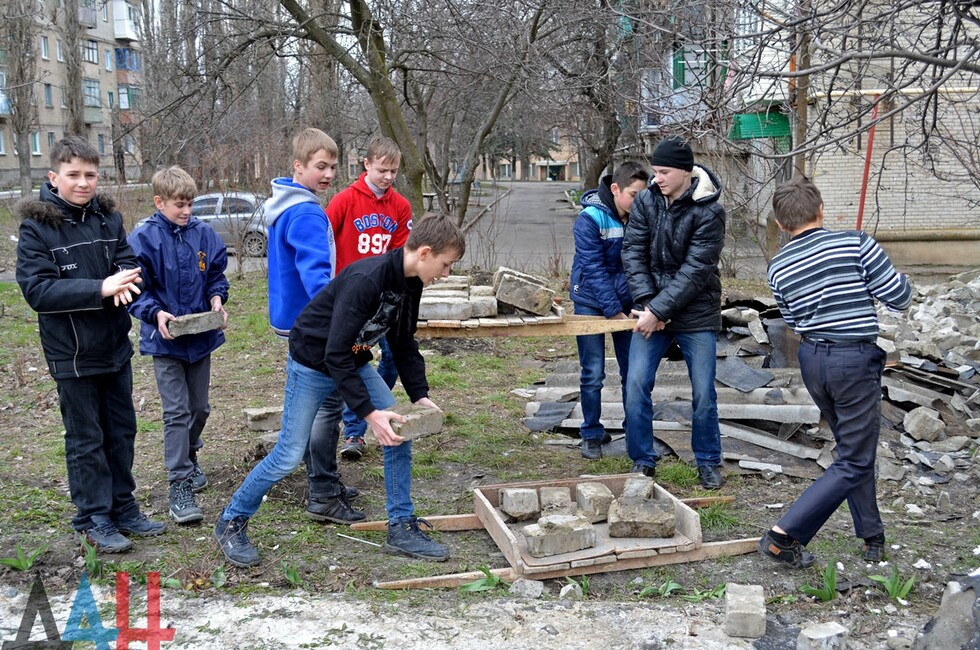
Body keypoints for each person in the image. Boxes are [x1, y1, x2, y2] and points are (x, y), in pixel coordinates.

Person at [214, 214, 465, 567]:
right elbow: (334, 352)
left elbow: (403, 341)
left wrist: (419, 395)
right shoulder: (367, 279)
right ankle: (231, 521)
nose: (445, 274)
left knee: (398, 430)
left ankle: (401, 526)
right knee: (288, 454)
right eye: (445, 265)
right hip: (313, 361)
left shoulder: (411, 283)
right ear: (424, 253)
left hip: (354, 358)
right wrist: (367, 413)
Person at [15, 136, 166, 553]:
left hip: (115, 346)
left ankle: (123, 507)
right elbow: (37, 291)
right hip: (73, 355)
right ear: (53, 177)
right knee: (86, 438)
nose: (83, 183)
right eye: (74, 175)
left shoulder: (107, 218)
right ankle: (92, 517)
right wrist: (101, 288)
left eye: (91, 175)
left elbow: (128, 262)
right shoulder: (36, 227)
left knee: (121, 431)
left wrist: (126, 281)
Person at [758, 175, 912, 568]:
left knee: (851, 452)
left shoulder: (778, 266)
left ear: (780, 224)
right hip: (853, 360)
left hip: (812, 361)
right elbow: (898, 297)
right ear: (821, 210)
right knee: (857, 459)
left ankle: (872, 536)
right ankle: (783, 534)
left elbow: (791, 320)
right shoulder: (857, 244)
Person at [264, 128, 362, 524]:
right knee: (326, 409)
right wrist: (342, 320)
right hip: (316, 325)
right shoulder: (305, 211)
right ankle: (322, 491)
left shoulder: (285, 205)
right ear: (298, 166)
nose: (327, 174)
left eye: (333, 167)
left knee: (320, 406)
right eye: (320, 166)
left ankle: (325, 479)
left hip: (295, 321)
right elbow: (317, 277)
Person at [621, 136, 726, 490]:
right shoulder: (647, 201)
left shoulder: (709, 210)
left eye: (664, 171)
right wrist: (651, 305)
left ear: (685, 172)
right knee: (635, 384)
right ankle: (642, 460)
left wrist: (660, 308)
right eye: (655, 171)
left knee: (703, 392)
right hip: (652, 310)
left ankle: (709, 461)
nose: (657, 178)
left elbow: (697, 269)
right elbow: (632, 252)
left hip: (696, 312)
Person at [127, 166, 230, 525]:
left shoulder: (203, 234)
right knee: (176, 412)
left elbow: (216, 276)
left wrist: (217, 300)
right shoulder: (144, 238)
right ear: (159, 202)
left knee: (199, 408)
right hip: (165, 342)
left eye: (190, 204)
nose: (186, 212)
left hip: (200, 338)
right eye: (179, 205)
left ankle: (190, 453)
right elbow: (136, 290)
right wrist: (154, 313)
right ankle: (179, 484)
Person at [326, 135, 413, 462]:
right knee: (351, 358)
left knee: (391, 356)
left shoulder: (401, 206)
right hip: (349, 296)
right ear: (366, 164)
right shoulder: (344, 200)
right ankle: (353, 430)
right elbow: (325, 244)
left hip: (384, 298)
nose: (388, 177)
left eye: (393, 171)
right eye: (382, 170)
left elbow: (401, 253)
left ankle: (371, 408)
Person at [570, 161, 650, 460]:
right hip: (591, 302)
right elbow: (593, 267)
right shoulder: (590, 218)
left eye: (643, 195)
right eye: (633, 194)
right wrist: (612, 309)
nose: (639, 201)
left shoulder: (640, 216)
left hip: (629, 305)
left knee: (633, 372)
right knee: (592, 373)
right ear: (615, 189)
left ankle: (635, 432)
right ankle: (591, 433)